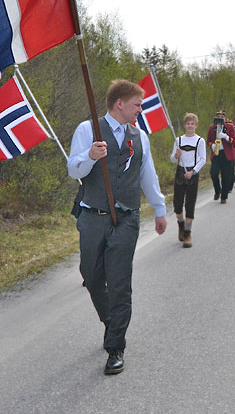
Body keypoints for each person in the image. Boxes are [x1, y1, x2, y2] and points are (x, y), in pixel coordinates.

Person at [67, 79, 168, 375]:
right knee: (92, 275)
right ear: (120, 103)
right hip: (93, 215)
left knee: (120, 282)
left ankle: (116, 347)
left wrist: (159, 209)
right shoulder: (88, 131)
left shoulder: (140, 136)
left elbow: (147, 175)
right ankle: (112, 323)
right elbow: (74, 169)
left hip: (126, 218)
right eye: (137, 104)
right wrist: (90, 156)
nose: (140, 109)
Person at [170, 112, 206, 248]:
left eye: (192, 124)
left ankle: (187, 233)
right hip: (180, 172)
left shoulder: (200, 141)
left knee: (190, 204)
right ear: (184, 125)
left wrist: (193, 171)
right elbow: (172, 160)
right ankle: (181, 224)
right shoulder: (178, 140)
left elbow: (203, 159)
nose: (190, 126)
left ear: (196, 125)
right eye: (188, 123)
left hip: (193, 173)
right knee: (177, 204)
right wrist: (176, 155)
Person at [207, 110, 235, 203]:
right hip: (216, 154)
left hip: (227, 154)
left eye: (222, 116)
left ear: (225, 118)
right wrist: (211, 145)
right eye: (218, 116)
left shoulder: (230, 127)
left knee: (225, 176)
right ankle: (217, 190)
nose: (220, 117)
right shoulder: (212, 128)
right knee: (213, 173)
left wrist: (226, 137)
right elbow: (208, 140)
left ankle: (224, 197)